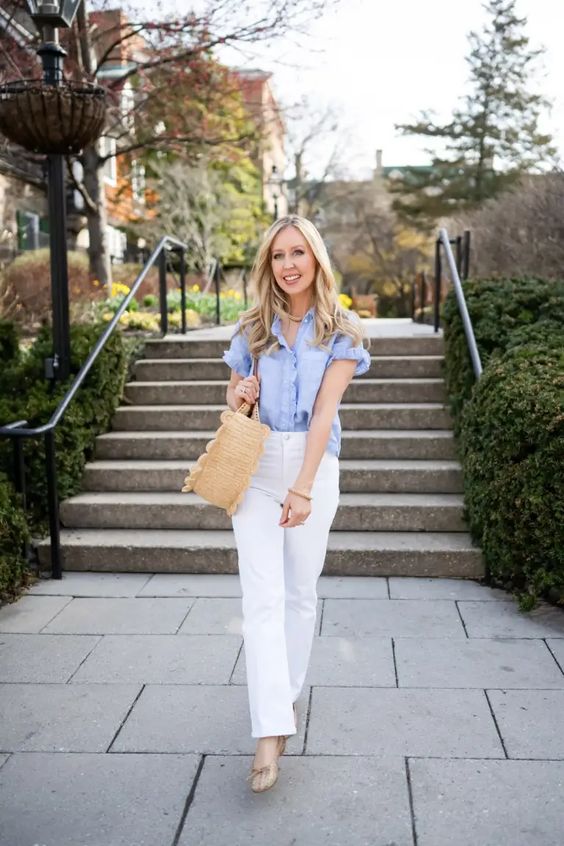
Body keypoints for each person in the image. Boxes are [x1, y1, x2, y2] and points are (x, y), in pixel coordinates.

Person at [222, 214, 371, 793]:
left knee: (299, 592)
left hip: (313, 464)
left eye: (297, 254)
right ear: (269, 265)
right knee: (260, 597)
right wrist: (240, 394)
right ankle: (268, 733)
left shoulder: (343, 332)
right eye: (278, 255)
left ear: (316, 260)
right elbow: (235, 407)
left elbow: (325, 415)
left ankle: (283, 697)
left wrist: (304, 485)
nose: (287, 265)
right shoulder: (252, 329)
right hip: (256, 463)